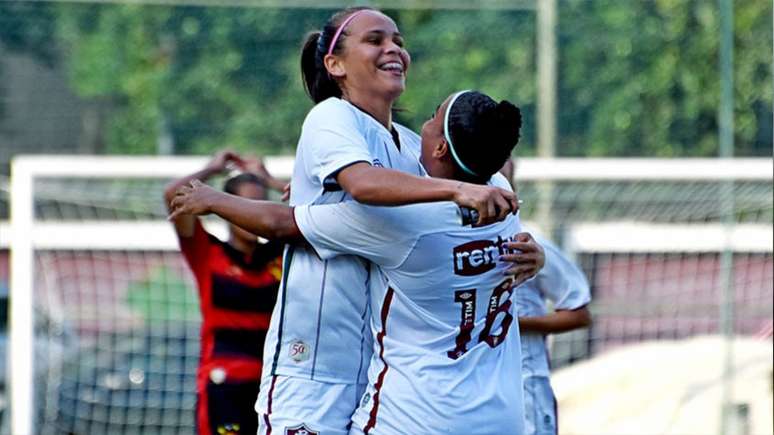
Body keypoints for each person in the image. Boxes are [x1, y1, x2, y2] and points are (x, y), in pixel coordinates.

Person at [181, 7, 529, 434]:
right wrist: (460, 192)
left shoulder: (406, 146)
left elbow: (468, 179)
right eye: (376, 40)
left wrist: (533, 254)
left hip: (372, 372)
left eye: (398, 40)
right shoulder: (333, 116)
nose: (393, 49)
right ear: (335, 64)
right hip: (313, 366)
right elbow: (362, 185)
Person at [163, 151, 285, 435]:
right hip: (224, 387)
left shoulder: (280, 253)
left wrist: (272, 182)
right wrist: (212, 169)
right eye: (241, 205)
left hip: (273, 387)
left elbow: (316, 212)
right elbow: (172, 195)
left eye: (257, 205)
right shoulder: (208, 253)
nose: (250, 213)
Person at [499, 160, 593, 435]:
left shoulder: (529, 241)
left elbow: (579, 312)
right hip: (482, 391)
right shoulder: (455, 237)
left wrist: (519, 324)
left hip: (527, 383)